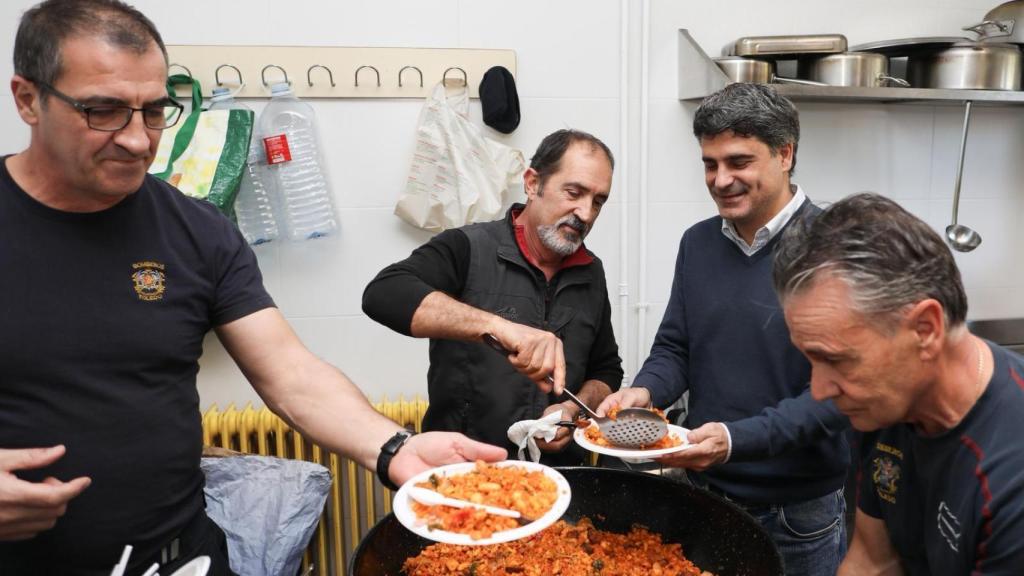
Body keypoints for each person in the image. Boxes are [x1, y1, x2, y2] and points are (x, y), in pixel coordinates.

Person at [0, 2, 506, 575]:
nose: (140, 141)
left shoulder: (198, 232)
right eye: (105, 111)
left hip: (178, 560)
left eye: (155, 111)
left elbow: (290, 374)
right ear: (27, 99)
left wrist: (395, 447)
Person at [597, 83, 850, 576]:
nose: (721, 179)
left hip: (797, 515)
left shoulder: (834, 247)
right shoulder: (698, 243)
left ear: (785, 153)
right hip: (708, 493)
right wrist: (644, 391)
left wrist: (733, 440)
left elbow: (837, 397)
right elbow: (676, 346)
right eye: (710, 164)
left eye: (738, 161)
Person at [773, 192, 1024, 575]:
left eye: (836, 360)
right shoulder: (888, 404)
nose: (821, 391)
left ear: (925, 330)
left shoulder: (1009, 482)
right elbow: (874, 560)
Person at [363, 129, 623, 465]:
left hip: (561, 478)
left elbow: (607, 370)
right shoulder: (467, 247)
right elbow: (383, 293)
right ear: (532, 183)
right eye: (574, 193)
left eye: (598, 201)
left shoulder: (590, 271)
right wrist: (497, 326)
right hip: (463, 474)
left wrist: (573, 411)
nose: (586, 213)